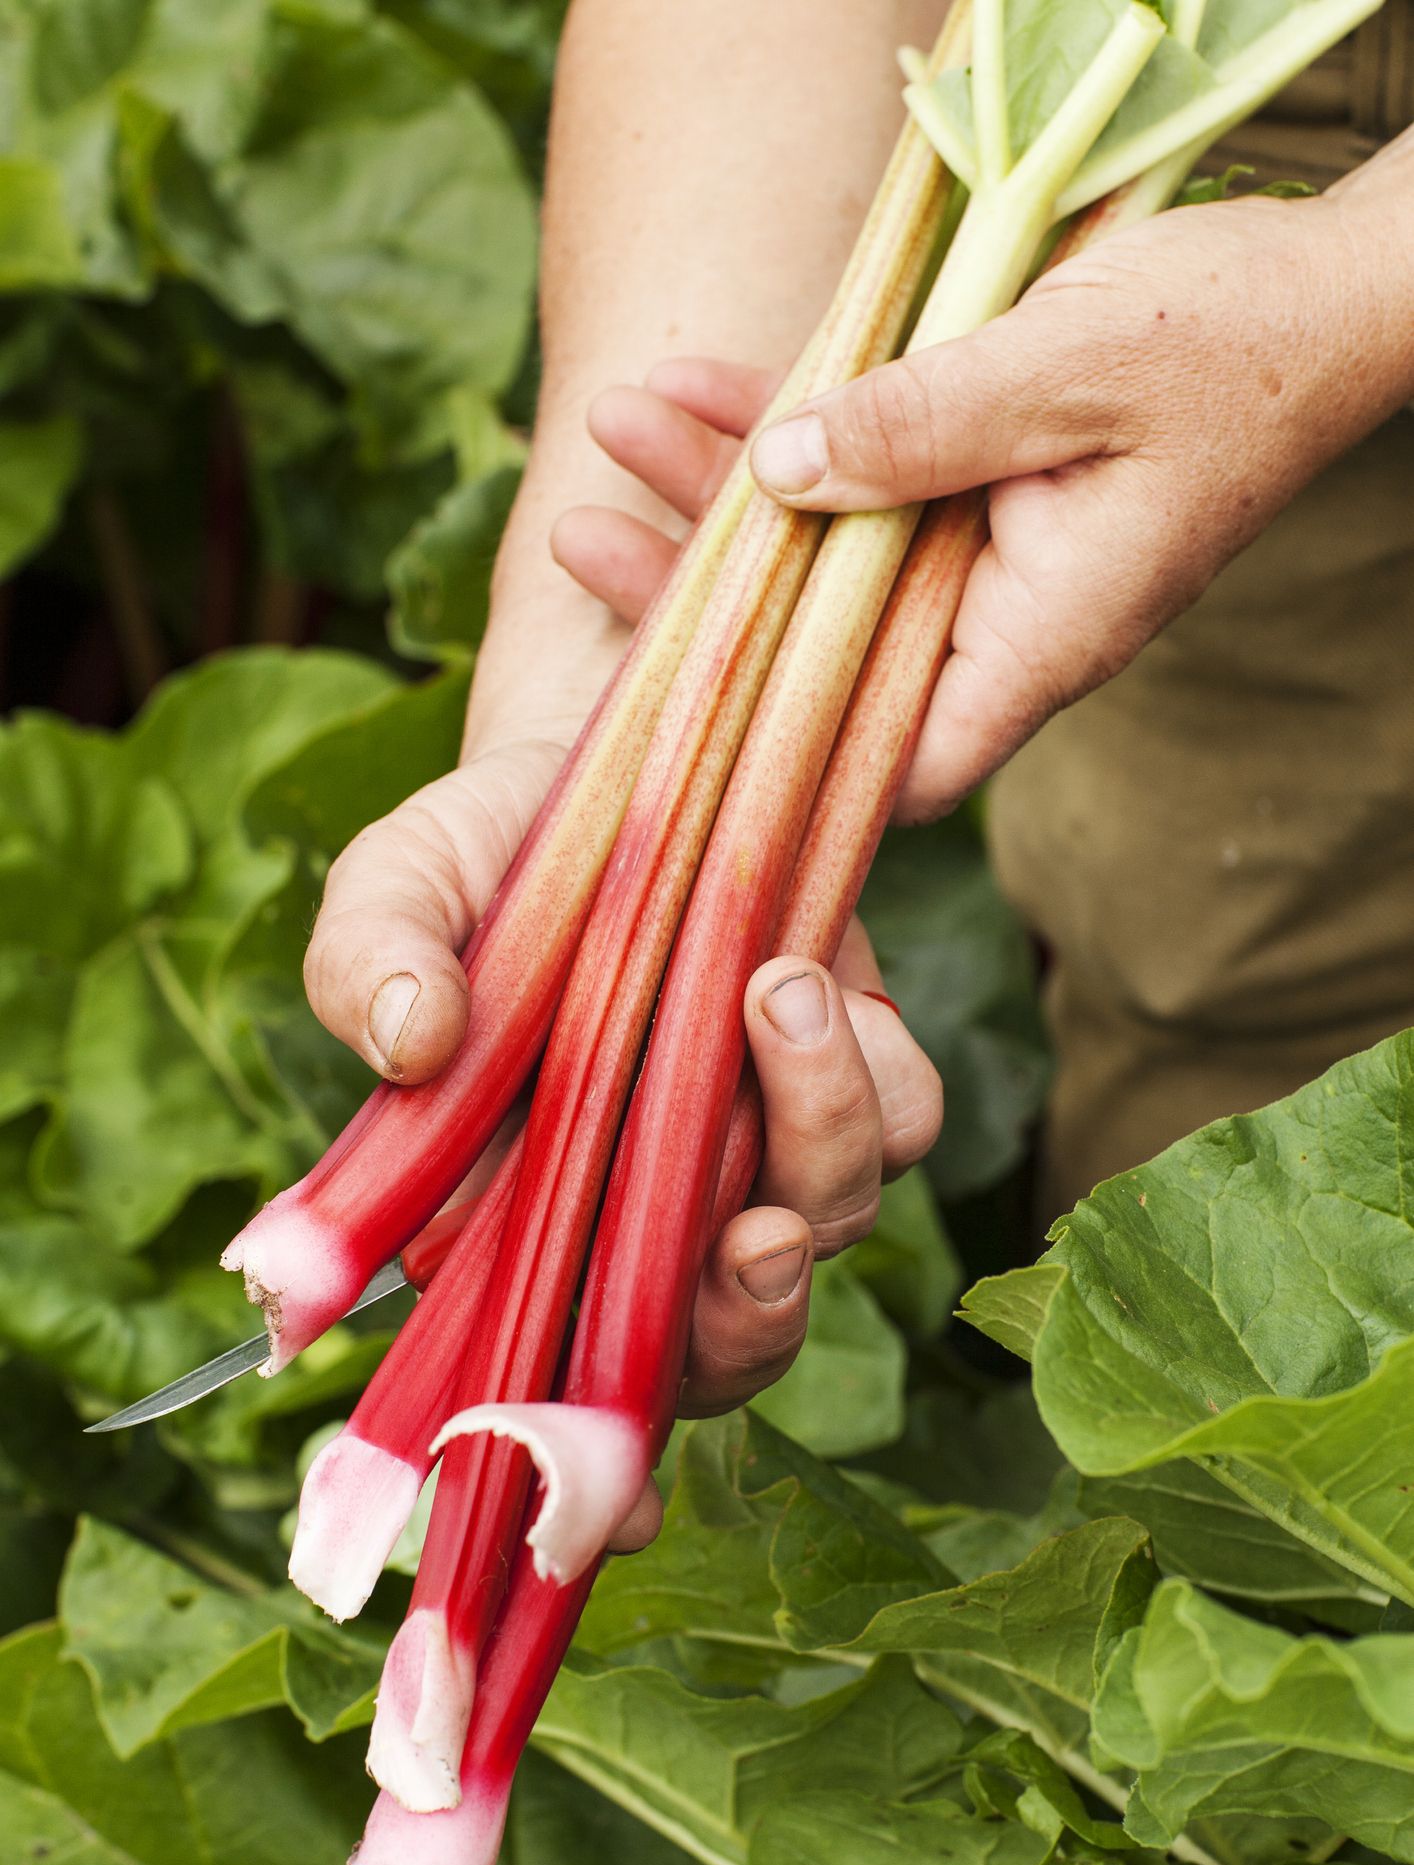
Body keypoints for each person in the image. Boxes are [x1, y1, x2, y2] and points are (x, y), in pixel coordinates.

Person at [301, 2, 1414, 1505]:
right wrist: (585, 734)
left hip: (1274, 263)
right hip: (1222, 246)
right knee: (1278, 1148)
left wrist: (1346, 295)